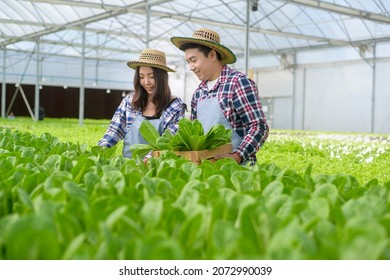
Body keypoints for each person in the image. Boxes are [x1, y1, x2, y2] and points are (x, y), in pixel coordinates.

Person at [171, 28, 269, 165]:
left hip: (239, 171)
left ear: (212, 55)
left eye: (193, 60)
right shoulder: (198, 94)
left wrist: (236, 156)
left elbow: (258, 127)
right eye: (188, 62)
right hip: (206, 171)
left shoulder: (238, 83)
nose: (191, 67)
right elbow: (195, 135)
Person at [98, 48, 186, 158]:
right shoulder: (129, 102)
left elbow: (169, 140)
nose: (146, 82)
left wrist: (146, 161)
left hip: (159, 168)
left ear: (162, 77)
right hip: (128, 168)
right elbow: (114, 130)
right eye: (141, 76)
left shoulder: (174, 106)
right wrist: (102, 149)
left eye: (151, 76)